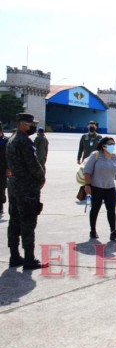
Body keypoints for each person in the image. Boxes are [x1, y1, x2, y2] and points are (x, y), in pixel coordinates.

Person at [6, 113, 48, 269]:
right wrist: (42, 178)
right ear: (23, 124)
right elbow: (33, 165)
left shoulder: (11, 140)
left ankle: (14, 256)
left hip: (14, 187)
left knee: (14, 222)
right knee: (28, 223)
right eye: (31, 124)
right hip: (27, 189)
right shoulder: (24, 141)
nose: (33, 127)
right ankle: (29, 259)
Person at [83, 137, 116, 240]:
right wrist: (87, 185)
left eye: (113, 144)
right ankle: (93, 231)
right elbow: (87, 171)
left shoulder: (115, 157)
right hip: (96, 187)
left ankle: (113, 232)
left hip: (110, 188)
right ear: (103, 145)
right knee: (95, 209)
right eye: (110, 144)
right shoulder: (96, 155)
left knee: (111, 210)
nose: (112, 146)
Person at [0, 124, 8, 214]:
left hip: (2, 169)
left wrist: (9, 168)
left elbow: (9, 156)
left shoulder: (5, 141)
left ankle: (0, 205)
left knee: (1, 188)